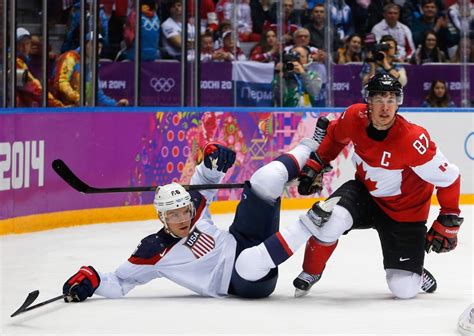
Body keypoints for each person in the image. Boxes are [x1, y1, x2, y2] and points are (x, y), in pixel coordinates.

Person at [62, 122, 333, 301]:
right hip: (242, 282)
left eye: (184, 211)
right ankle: (311, 222)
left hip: (244, 237)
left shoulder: (195, 207)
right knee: (249, 262)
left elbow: (207, 178)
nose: (183, 218)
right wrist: (92, 280)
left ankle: (313, 147)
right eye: (174, 215)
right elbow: (119, 281)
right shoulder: (153, 250)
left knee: (265, 179)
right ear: (162, 218)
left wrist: (212, 157)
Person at [291, 73, 463, 300]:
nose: (385, 107)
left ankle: (415, 270)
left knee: (404, 290)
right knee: (332, 217)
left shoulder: (413, 140)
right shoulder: (354, 116)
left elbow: (450, 177)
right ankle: (310, 272)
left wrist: (449, 216)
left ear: (398, 103)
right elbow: (334, 136)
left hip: (405, 213)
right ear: (368, 102)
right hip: (365, 195)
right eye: (379, 98)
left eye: (391, 99)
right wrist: (318, 161)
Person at [50, 33, 129, 107]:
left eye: (99, 47)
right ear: (84, 45)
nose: (97, 48)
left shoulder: (92, 67)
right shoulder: (70, 57)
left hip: (78, 109)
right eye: (93, 45)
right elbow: (62, 82)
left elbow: (97, 94)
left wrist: (115, 104)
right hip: (59, 108)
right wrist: (77, 98)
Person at [15, 27, 64, 107]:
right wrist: (57, 105)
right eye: (21, 44)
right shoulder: (15, 62)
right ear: (14, 45)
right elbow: (34, 87)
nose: (24, 47)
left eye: (27, 43)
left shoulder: (29, 60)